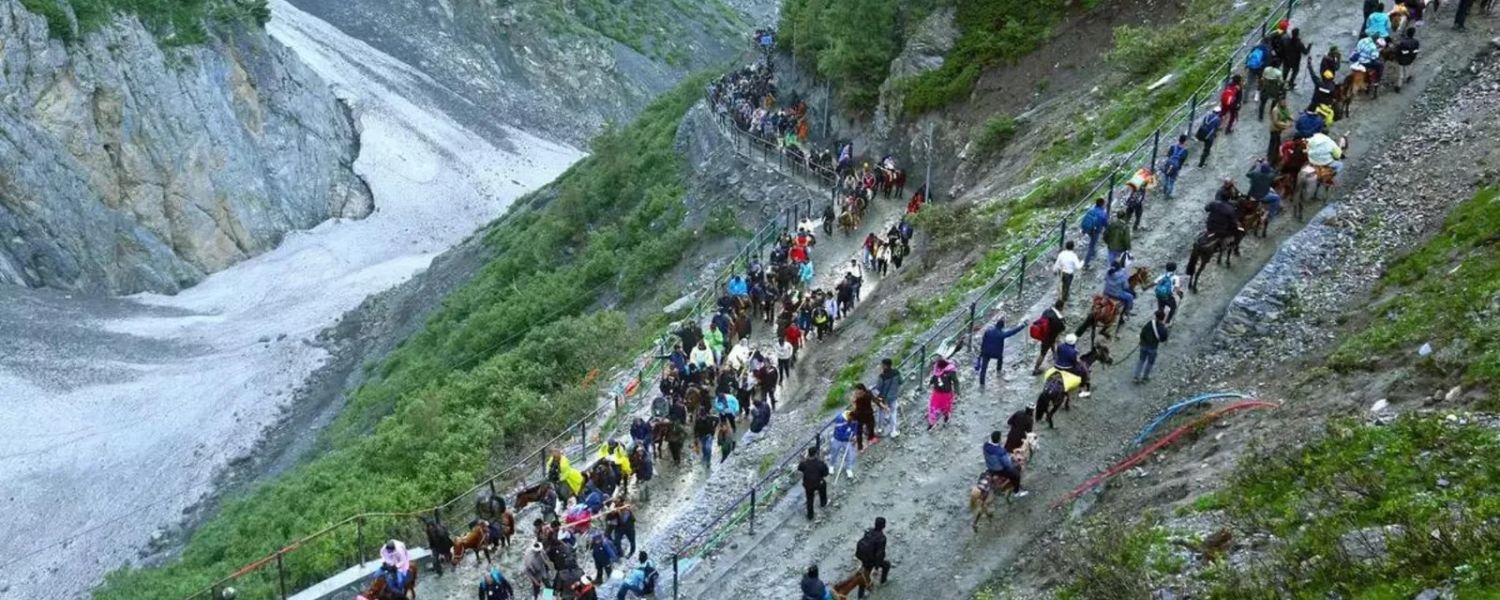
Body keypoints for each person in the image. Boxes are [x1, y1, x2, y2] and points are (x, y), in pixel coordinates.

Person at [978, 318, 1027, 387]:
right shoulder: (1001, 334)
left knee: (983, 369)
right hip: (996, 354)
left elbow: (983, 342)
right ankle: (998, 370)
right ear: (1002, 327)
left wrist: (981, 352)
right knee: (1000, 358)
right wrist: (1023, 326)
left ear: (996, 325)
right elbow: (1012, 332)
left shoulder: (988, 332)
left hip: (986, 353)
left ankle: (982, 383)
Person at [983, 431, 1026, 495]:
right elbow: (1007, 464)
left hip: (989, 466)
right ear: (999, 439)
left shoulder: (985, 445)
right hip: (998, 470)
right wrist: (1012, 459)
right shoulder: (1001, 452)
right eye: (1001, 437)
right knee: (1016, 474)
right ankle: (1017, 491)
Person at [1134, 310, 1171, 384]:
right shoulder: (1162, 328)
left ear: (1156, 316)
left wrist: (1142, 341)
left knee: (1141, 360)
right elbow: (1163, 339)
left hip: (1143, 345)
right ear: (1163, 318)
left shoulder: (1150, 323)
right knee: (1150, 363)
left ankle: (1136, 376)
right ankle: (1145, 377)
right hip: (1153, 348)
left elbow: (1143, 332)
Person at [1031, 300, 1066, 375]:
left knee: (1051, 343)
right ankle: (1035, 369)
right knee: (1043, 354)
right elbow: (1062, 329)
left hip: (1043, 335)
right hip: (1049, 338)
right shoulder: (1059, 319)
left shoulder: (1047, 311)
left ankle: (1054, 355)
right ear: (1061, 307)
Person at [855, 517, 893, 584]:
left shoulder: (868, 531)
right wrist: (876, 567)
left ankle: (863, 571)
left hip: (861, 556)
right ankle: (883, 583)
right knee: (886, 565)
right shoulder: (882, 538)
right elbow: (879, 554)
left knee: (866, 571)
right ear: (884, 526)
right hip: (871, 560)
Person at [1053, 333, 1092, 398]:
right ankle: (1082, 387)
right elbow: (1074, 362)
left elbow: (1059, 354)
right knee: (1083, 371)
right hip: (1067, 368)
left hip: (1057, 365)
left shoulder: (1060, 346)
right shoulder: (1073, 352)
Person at [874, 358, 904, 437]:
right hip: (894, 396)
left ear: (885, 366)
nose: (881, 366)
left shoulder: (882, 376)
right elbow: (901, 382)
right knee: (893, 413)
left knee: (881, 412)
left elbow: (878, 388)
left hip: (884, 398)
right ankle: (893, 431)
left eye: (882, 365)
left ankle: (880, 428)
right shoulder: (896, 372)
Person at [927, 357, 959, 430]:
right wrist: (931, 382)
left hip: (946, 394)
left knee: (946, 407)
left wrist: (957, 391)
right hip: (937, 392)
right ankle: (931, 423)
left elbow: (956, 381)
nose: (938, 369)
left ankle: (946, 416)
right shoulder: (936, 369)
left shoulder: (950, 372)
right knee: (933, 407)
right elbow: (934, 377)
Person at [798, 447, 830, 520]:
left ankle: (810, 515)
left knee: (809, 499)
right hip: (819, 483)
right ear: (816, 454)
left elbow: (800, 469)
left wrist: (802, 460)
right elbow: (826, 474)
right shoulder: (820, 464)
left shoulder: (804, 464)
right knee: (823, 488)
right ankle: (823, 503)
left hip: (808, 484)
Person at [850, 383, 882, 449]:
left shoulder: (867, 394)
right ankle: (860, 447)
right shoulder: (857, 398)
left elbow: (874, 399)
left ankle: (871, 438)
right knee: (859, 432)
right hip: (860, 416)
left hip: (868, 414)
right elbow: (855, 408)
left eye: (857, 390)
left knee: (871, 426)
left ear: (862, 390)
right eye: (855, 390)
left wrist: (881, 405)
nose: (856, 392)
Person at [1079, 198, 1108, 268]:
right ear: (1102, 204)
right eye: (1104, 203)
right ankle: (1086, 263)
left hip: (1088, 229)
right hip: (1095, 231)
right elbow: (1106, 224)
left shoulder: (1091, 210)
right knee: (1091, 246)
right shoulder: (1102, 213)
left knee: (1092, 242)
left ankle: (1094, 253)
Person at [829, 410, 858, 478]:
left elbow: (856, 428)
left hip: (847, 441)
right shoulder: (840, 420)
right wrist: (849, 438)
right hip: (837, 439)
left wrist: (855, 435)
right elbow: (840, 434)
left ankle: (848, 468)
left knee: (849, 454)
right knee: (834, 453)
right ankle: (831, 465)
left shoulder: (855, 420)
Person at [1393, 27, 1420, 93]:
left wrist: (1397, 58)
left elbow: (1397, 51)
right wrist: (1413, 57)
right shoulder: (1416, 42)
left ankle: (1398, 86)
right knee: (1408, 69)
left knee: (1401, 74)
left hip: (1402, 60)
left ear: (1407, 33)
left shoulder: (1402, 42)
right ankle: (1408, 77)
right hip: (1410, 59)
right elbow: (1416, 51)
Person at [1267, 97, 1293, 164]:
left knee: (1277, 141)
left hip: (1279, 129)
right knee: (1273, 143)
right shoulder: (1275, 110)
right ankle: (1270, 158)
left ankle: (1276, 155)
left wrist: (1291, 118)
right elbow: (1276, 121)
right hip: (1274, 129)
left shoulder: (1284, 108)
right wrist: (1286, 125)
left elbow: (1288, 114)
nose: (1284, 103)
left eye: (1285, 102)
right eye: (1283, 102)